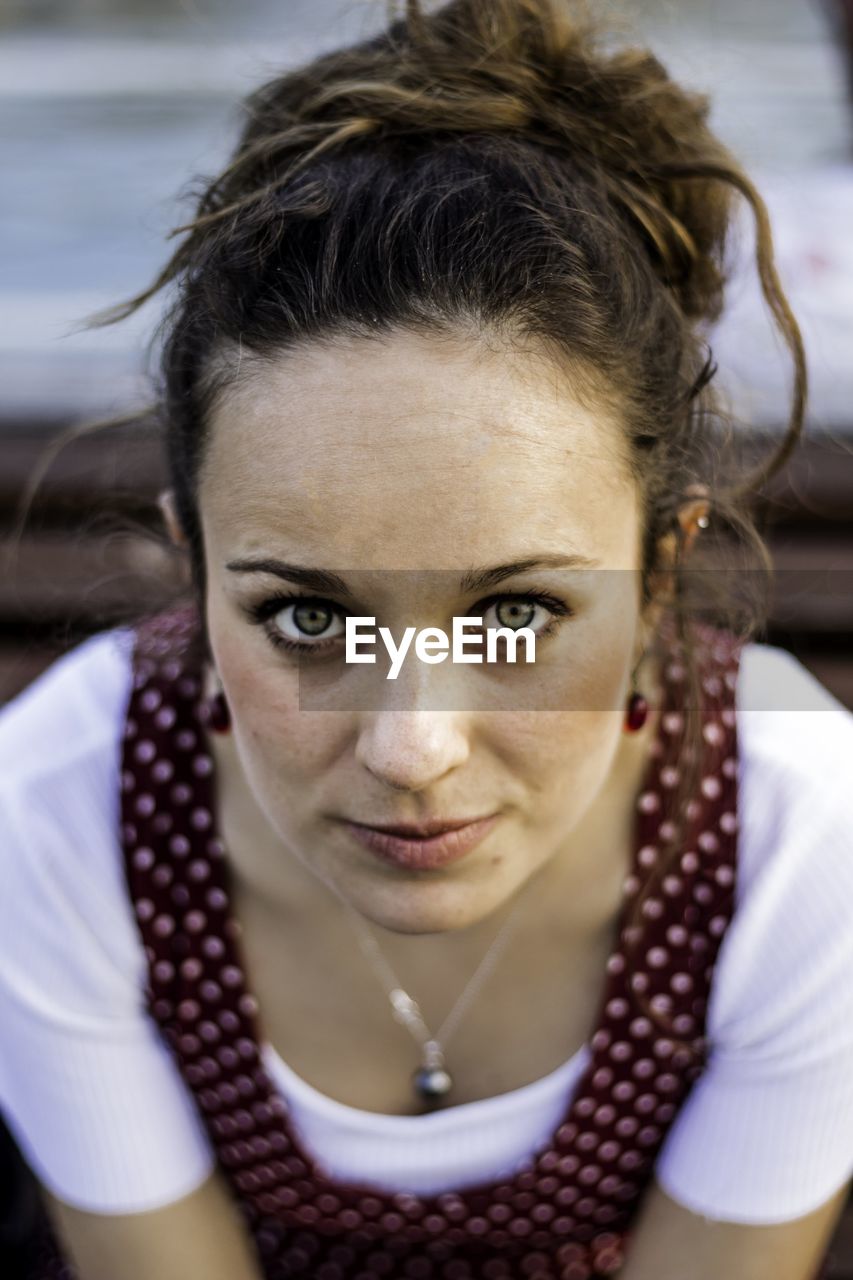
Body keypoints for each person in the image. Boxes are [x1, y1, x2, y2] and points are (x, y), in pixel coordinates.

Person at [1, 2, 852, 1277]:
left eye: (517, 612)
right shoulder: (52, 815)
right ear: (191, 573)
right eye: (305, 615)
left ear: (658, 574)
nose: (413, 748)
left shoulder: (804, 839)